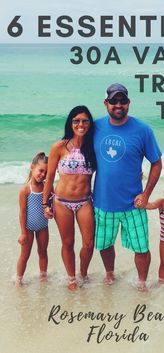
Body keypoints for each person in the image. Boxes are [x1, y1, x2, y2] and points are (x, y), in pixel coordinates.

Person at [93, 83, 162, 290]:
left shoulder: (143, 130)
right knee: (104, 244)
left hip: (134, 204)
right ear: (106, 103)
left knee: (141, 247)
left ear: (128, 103)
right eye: (114, 101)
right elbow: (75, 153)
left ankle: (142, 283)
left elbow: (156, 162)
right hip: (103, 201)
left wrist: (146, 194)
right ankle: (110, 274)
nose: (118, 105)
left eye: (122, 101)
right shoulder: (94, 127)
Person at [43, 106, 96, 291]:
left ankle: (83, 273)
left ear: (90, 124)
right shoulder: (59, 146)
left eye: (85, 121)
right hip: (61, 202)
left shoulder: (93, 146)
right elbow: (49, 178)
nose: (80, 124)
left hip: (85, 202)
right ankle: (72, 278)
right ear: (70, 123)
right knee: (68, 242)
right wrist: (45, 204)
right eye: (76, 121)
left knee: (89, 244)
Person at [16, 152, 49, 287]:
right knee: (25, 255)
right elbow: (22, 212)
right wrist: (23, 232)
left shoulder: (47, 186)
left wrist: (50, 211)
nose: (43, 175)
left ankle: (43, 276)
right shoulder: (25, 190)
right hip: (28, 228)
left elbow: (50, 204)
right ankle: (19, 279)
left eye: (46, 172)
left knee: (43, 252)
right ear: (32, 167)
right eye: (41, 170)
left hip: (43, 226)